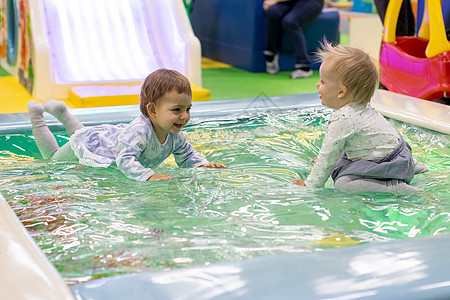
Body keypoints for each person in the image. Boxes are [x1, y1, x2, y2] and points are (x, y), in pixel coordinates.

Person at [27, 69, 226, 181]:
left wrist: (203, 165)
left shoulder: (175, 134)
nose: (184, 116)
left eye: (188, 109)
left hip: (105, 140)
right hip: (96, 150)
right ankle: (37, 116)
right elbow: (125, 160)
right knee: (53, 159)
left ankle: (62, 113)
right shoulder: (141, 132)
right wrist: (148, 176)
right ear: (153, 110)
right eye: (177, 110)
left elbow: (187, 155)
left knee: (83, 134)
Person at [293, 43, 428, 193]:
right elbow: (360, 145)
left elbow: (328, 156)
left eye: (323, 81)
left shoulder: (343, 118)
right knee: (345, 160)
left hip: (389, 164)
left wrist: (311, 185)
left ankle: (396, 187)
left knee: (342, 183)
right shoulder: (361, 108)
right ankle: (411, 167)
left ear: (341, 92)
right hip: (401, 154)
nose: (317, 85)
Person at [263, 0, 324, 79]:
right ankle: (270, 55)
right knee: (272, 12)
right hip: (292, 2)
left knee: (290, 21)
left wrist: (275, 0)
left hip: (312, 1)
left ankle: (304, 66)